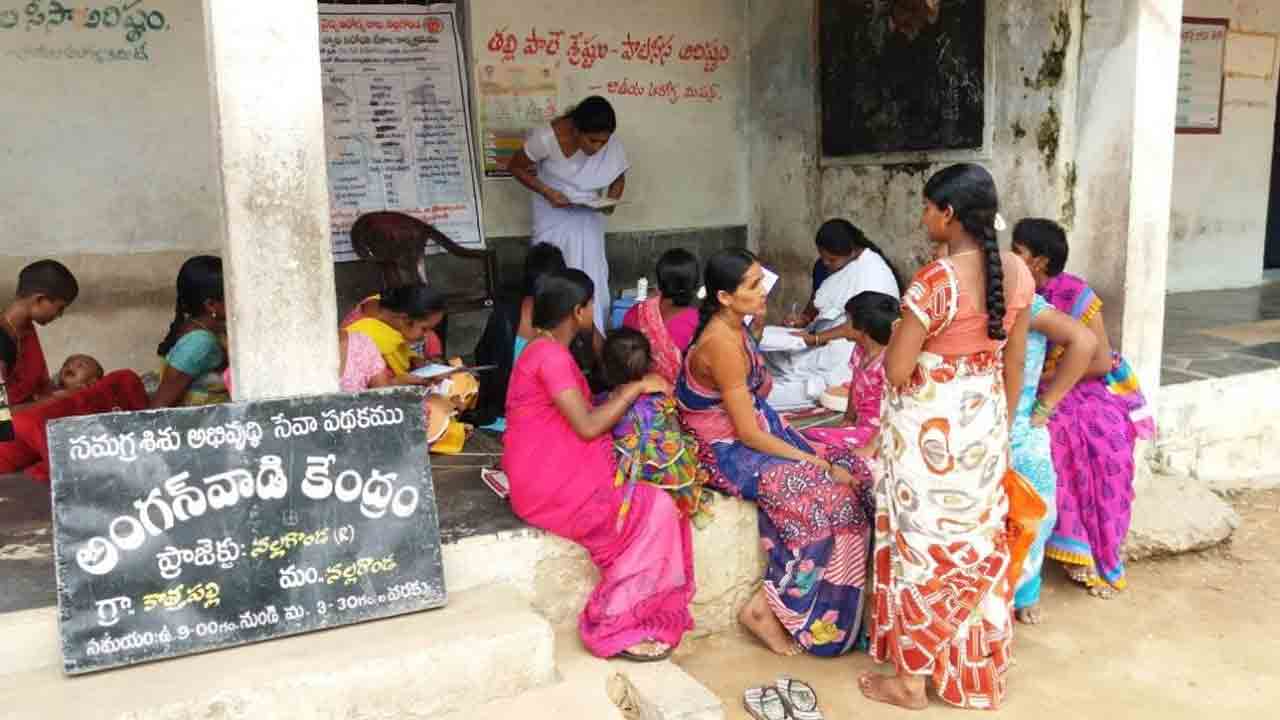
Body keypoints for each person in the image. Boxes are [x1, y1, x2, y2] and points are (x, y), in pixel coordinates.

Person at [861, 163, 1033, 711]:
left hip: (930, 436)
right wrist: (1000, 428)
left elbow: (897, 368)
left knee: (924, 551)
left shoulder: (934, 282)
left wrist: (898, 337)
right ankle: (970, 673)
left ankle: (911, 680)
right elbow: (1016, 361)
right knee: (975, 543)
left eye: (927, 206)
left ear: (949, 214)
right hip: (982, 427)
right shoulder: (1016, 272)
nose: (923, 215)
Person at [675, 248, 873, 658]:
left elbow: (759, 394)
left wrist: (758, 329)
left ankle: (836, 614)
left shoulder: (738, 331)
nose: (762, 289)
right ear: (725, 297)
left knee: (854, 474)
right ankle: (766, 610)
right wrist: (812, 462)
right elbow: (746, 433)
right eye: (752, 285)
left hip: (757, 430)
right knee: (822, 497)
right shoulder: (721, 343)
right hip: (726, 450)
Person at [502, 268, 694, 661]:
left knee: (655, 504)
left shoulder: (544, 347)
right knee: (655, 508)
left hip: (543, 471)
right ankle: (615, 619)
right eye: (590, 305)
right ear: (578, 310)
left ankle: (633, 609)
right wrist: (637, 388)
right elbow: (588, 427)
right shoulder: (551, 357)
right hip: (550, 486)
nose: (593, 310)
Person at [1011, 218, 1154, 599]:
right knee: (1046, 436)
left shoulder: (1076, 295)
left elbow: (1101, 361)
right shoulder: (1011, 291)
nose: (1011, 256)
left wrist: (1051, 381)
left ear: (1039, 261)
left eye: (1019, 251)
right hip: (1027, 387)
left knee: (1099, 440)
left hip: (1080, 384)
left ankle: (1091, 551)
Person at [1, 260, 147, 480]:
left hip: (31, 414)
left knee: (120, 381)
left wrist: (62, 395)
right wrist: (58, 399)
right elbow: (3, 417)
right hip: (9, 433)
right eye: (59, 308)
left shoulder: (25, 329)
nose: (59, 316)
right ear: (40, 300)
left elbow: (40, 388)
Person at [1010, 291, 1097, 625]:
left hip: (1020, 427)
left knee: (1035, 513)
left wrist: (1047, 405)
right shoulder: (964, 296)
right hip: (977, 426)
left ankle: (1026, 592)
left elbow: (1084, 341)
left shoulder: (1025, 304)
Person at [507, 96, 628, 333]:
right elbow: (515, 166)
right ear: (575, 130)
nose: (598, 148)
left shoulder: (608, 142)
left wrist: (611, 200)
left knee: (592, 275)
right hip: (553, 214)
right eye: (592, 141)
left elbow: (618, 176)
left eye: (603, 142)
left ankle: (593, 339)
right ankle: (550, 337)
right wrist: (547, 191)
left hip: (588, 215)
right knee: (556, 275)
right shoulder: (545, 138)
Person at [766, 219, 902, 410]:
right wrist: (804, 319)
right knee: (770, 350)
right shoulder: (832, 266)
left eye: (831, 260)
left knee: (808, 380)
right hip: (828, 337)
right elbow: (819, 301)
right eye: (823, 258)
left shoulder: (872, 276)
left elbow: (855, 327)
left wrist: (815, 338)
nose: (825, 263)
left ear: (853, 251)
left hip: (845, 346)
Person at [599, 327, 711, 529]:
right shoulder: (661, 392)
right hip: (675, 473)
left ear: (605, 369)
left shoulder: (609, 403)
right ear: (650, 363)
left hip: (636, 479)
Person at [469, 243, 568, 429]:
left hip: (506, 417)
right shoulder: (562, 316)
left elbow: (483, 359)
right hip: (512, 417)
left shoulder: (506, 312)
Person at [802, 291, 898, 461]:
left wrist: (871, 446)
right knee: (807, 437)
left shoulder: (889, 363)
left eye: (848, 321)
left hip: (877, 435)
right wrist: (848, 418)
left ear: (862, 329)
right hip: (860, 428)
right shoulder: (861, 350)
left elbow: (893, 411)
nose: (844, 326)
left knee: (809, 440)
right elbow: (855, 384)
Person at [152, 256, 230, 408]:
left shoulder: (204, 328)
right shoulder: (200, 343)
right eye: (232, 293)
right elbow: (159, 407)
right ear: (211, 305)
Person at [622, 248, 700, 385]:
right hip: (680, 400)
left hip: (635, 395)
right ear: (694, 284)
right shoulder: (698, 322)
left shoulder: (635, 312)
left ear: (659, 281)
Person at [344, 284, 447, 377]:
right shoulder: (365, 338)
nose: (427, 335)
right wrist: (400, 381)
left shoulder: (385, 308)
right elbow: (376, 387)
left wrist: (414, 360)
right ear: (405, 319)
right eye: (424, 329)